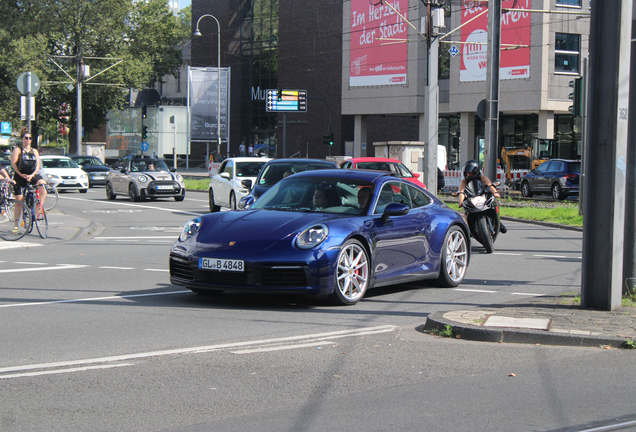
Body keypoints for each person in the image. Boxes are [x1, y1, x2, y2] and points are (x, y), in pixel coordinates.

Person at [11, 127, 47, 233]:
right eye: (26, 138)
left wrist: (32, 175)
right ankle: (16, 225)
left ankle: (39, 208)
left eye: (30, 138)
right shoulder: (18, 150)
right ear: (22, 139)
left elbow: (37, 166)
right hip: (20, 175)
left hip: (31, 175)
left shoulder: (34, 151)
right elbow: (14, 163)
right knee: (19, 201)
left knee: (42, 185)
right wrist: (21, 175)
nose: (28, 140)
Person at [457, 160, 507, 234]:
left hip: (483, 197)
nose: (468, 174)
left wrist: (495, 192)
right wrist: (461, 202)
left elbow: (490, 186)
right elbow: (461, 192)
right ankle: (468, 229)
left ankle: (498, 222)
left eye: (470, 173)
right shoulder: (464, 182)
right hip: (471, 200)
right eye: (467, 173)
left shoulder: (482, 178)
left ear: (475, 172)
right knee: (465, 213)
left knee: (492, 204)